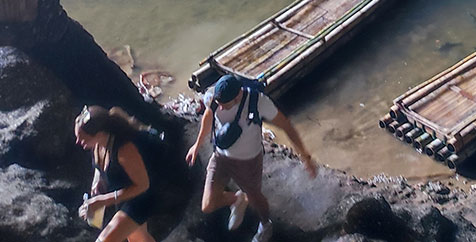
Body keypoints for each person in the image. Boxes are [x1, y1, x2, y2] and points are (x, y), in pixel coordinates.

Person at [187, 75, 316, 242]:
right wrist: (197, 145)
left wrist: (305, 157)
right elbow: (208, 116)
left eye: (224, 104)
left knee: (255, 197)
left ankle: (265, 224)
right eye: (218, 103)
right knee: (208, 205)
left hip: (248, 161)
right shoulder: (214, 97)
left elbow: (287, 126)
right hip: (220, 156)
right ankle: (237, 199)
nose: (220, 107)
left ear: (238, 95)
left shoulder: (258, 102)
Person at [75, 106, 165, 242]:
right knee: (138, 239)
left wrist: (103, 201)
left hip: (143, 196)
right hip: (123, 195)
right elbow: (99, 165)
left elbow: (143, 185)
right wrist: (97, 178)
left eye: (82, 139)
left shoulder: (124, 150)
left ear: (99, 134)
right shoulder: (98, 144)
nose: (78, 142)